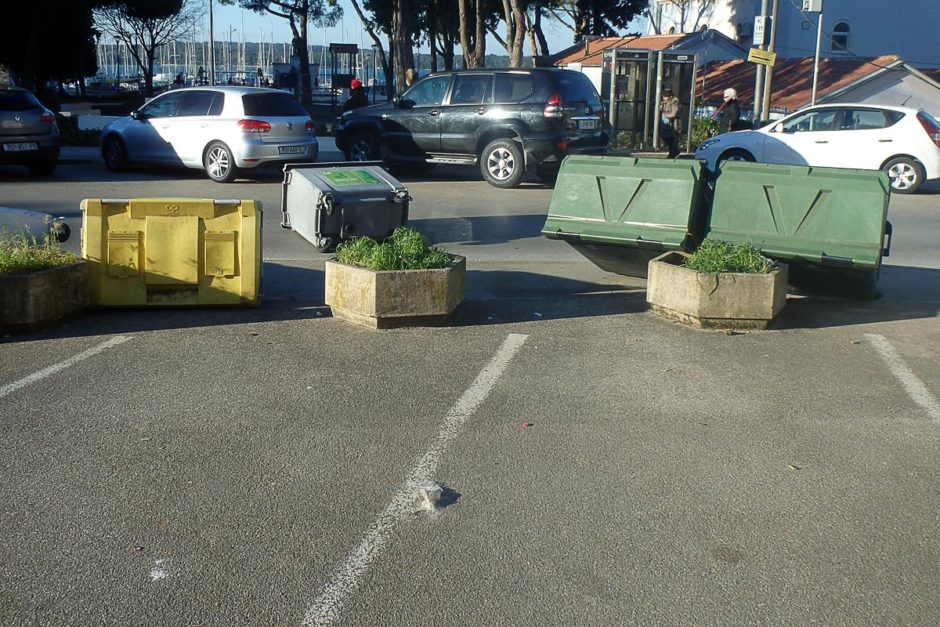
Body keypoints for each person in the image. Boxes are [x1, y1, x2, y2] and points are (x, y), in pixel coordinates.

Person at [659, 88, 681, 159]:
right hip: (665, 122)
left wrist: (666, 115)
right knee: (665, 136)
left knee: (670, 137)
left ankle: (673, 151)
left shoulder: (674, 101)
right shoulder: (664, 102)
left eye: (665, 96)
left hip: (671, 122)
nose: (663, 98)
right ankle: (673, 151)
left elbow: (675, 112)